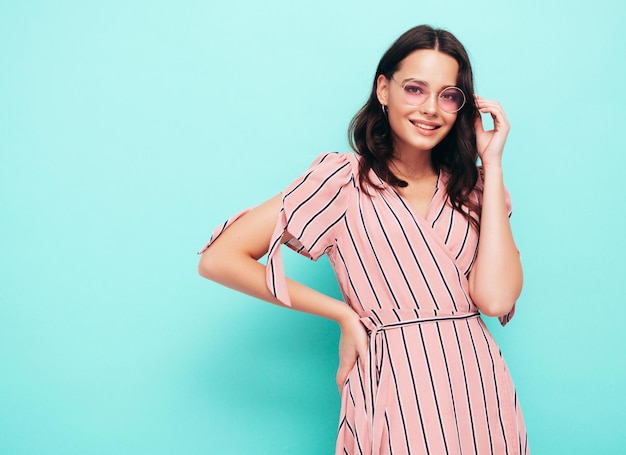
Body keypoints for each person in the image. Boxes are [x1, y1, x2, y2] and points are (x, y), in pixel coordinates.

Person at [198, 24, 528, 455]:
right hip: (394, 385)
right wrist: (343, 314)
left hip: (481, 391)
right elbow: (218, 258)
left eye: (448, 95)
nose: (431, 108)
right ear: (384, 89)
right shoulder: (342, 180)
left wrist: (494, 162)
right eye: (414, 89)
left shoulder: (477, 188)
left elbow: (496, 301)